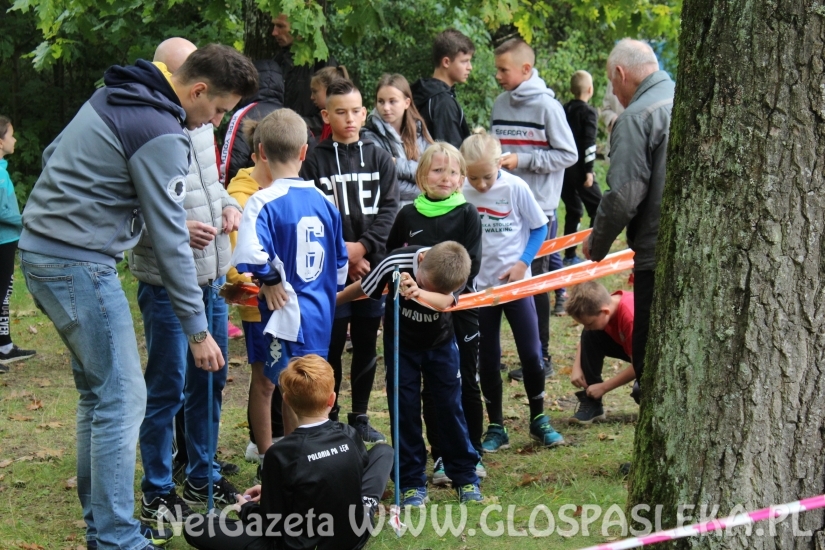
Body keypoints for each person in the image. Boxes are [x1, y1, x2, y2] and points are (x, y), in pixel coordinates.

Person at [19, 43, 257, 550]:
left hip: (45, 253)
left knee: (99, 397)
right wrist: (197, 330)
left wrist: (116, 208)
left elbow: (52, 156)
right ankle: (116, 537)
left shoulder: (117, 94)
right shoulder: (163, 131)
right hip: (77, 262)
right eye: (216, 110)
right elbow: (172, 243)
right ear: (196, 90)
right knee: (125, 398)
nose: (211, 121)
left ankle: (103, 527)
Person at [128, 39, 243, 527]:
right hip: (166, 282)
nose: (213, 114)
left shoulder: (202, 125)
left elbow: (209, 183)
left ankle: (201, 471)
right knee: (167, 387)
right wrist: (176, 227)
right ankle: (157, 488)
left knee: (211, 380)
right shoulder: (148, 122)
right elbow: (134, 204)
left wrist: (227, 205)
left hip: (212, 277)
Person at [232, 108, 348, 466]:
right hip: (319, 316)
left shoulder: (262, 201)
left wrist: (269, 279)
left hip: (283, 316)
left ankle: (276, 460)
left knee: (276, 381)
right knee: (305, 386)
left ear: (261, 152)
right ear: (304, 152)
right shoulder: (326, 202)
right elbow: (340, 265)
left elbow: (248, 253)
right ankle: (304, 457)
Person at [184, 355, 394, 550]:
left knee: (196, 525)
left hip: (302, 544)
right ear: (332, 400)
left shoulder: (281, 453)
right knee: (383, 451)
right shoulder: (349, 434)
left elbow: (269, 524)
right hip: (354, 536)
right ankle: (365, 506)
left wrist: (246, 508)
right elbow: (338, 473)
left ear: (286, 400)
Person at [337, 241, 484, 506]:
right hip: (401, 347)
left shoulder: (456, 270)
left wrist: (418, 292)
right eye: (425, 282)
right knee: (403, 409)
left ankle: (465, 476)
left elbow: (444, 302)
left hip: (441, 345)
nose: (428, 288)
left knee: (451, 407)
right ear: (423, 258)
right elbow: (366, 286)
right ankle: (411, 482)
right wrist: (333, 301)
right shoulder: (395, 262)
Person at [300, 79, 399, 443]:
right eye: (340, 112)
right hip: (331, 273)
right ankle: (330, 416)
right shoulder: (314, 160)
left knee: (366, 343)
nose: (349, 118)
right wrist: (345, 253)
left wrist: (365, 249)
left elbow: (389, 210)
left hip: (373, 269)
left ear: (364, 112)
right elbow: (309, 214)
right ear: (326, 114)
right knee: (332, 345)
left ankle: (359, 415)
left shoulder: (379, 156)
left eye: (356, 111)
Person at [384, 143, 484, 485]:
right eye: (437, 170)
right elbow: (392, 261)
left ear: (461, 179)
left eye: (453, 171)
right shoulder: (407, 215)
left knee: (455, 390)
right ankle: (412, 475)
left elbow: (471, 268)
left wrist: (434, 295)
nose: (445, 177)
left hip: (454, 318)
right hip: (407, 326)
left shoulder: (468, 213)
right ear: (421, 175)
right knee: (408, 400)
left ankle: (462, 460)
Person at [582, 38, 674, 402]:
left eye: (611, 82)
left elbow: (623, 196)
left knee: (650, 355)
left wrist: (597, 245)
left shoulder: (636, 117)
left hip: (655, 251)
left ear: (620, 74)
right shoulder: (682, 98)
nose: (613, 93)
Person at [461, 133, 565, 452]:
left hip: (517, 287)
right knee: (488, 360)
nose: (480, 185)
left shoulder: (515, 187)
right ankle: (496, 426)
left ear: (499, 164)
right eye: (473, 177)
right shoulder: (461, 190)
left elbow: (539, 226)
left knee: (532, 355)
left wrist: (523, 263)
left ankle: (539, 419)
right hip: (481, 291)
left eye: (487, 177)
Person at [490, 37, 578, 381]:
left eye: (503, 70)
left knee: (535, 282)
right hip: (500, 208)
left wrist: (522, 159)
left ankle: (541, 357)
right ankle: (497, 354)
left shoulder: (547, 108)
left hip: (538, 209)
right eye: (496, 69)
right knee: (498, 278)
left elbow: (567, 154)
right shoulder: (500, 104)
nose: (498, 75)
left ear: (526, 69)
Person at [225, 119, 283, 465]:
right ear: (260, 154)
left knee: (288, 378)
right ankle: (264, 453)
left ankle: (292, 450)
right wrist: (265, 284)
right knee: (265, 381)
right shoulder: (240, 197)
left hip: (290, 303)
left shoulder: (288, 188)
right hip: (258, 307)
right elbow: (237, 265)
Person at [564, 281, 636, 423]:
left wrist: (604, 387)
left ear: (605, 312)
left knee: (640, 392)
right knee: (590, 335)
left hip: (653, 360)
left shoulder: (630, 318)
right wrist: (577, 367)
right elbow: (586, 335)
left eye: (589, 323)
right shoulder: (604, 305)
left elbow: (640, 364)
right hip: (633, 349)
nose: (587, 327)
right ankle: (592, 403)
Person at [361, 73, 433, 205]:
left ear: (407, 103)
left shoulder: (419, 130)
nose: (386, 107)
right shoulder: (369, 135)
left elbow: (433, 170)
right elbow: (388, 185)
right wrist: (428, 189)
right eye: (381, 101)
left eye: (392, 101)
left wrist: (396, 164)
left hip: (425, 213)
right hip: (392, 217)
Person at [0, 116, 35, 371]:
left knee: (4, 296)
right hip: (2, 241)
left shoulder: (3, 171)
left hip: (8, 240)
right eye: (11, 135)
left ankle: (4, 346)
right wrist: (27, 220)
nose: (15, 139)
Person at [561, 70, 603, 265]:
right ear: (590, 89)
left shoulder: (563, 109)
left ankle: (569, 255)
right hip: (579, 171)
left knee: (574, 209)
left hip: (563, 170)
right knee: (599, 206)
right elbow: (589, 143)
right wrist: (589, 170)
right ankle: (594, 249)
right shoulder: (588, 113)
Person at [272, 13, 338, 136]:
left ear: (300, 27)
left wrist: (296, 125)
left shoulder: (322, 62)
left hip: (313, 141)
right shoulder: (279, 60)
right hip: (281, 138)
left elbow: (336, 108)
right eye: (274, 26)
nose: (274, 32)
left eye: (280, 26)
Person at [221, 59, 285, 185]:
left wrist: (230, 190)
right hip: (286, 192)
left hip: (250, 190)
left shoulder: (243, 115)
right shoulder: (289, 116)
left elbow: (230, 161)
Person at [411, 29, 474, 148]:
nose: (469, 67)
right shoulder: (443, 103)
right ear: (446, 62)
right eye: (464, 61)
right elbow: (449, 154)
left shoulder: (419, 92)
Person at [310, 66, 350, 141]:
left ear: (330, 90)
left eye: (315, 91)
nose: (312, 97)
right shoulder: (329, 119)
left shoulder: (336, 124)